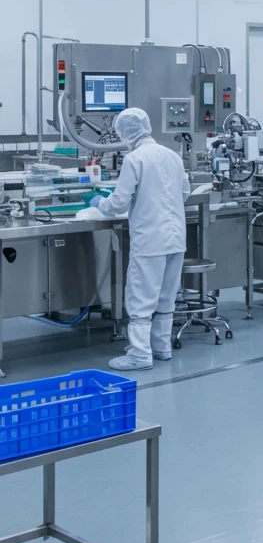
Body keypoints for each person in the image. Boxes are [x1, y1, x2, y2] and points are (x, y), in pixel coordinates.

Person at [93, 107, 191, 370]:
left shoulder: (134, 159)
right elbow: (184, 192)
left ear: (125, 132)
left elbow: (118, 202)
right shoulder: (172, 155)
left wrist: (99, 203)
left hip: (150, 240)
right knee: (166, 297)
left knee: (141, 298)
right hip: (176, 238)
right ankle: (161, 348)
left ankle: (139, 354)